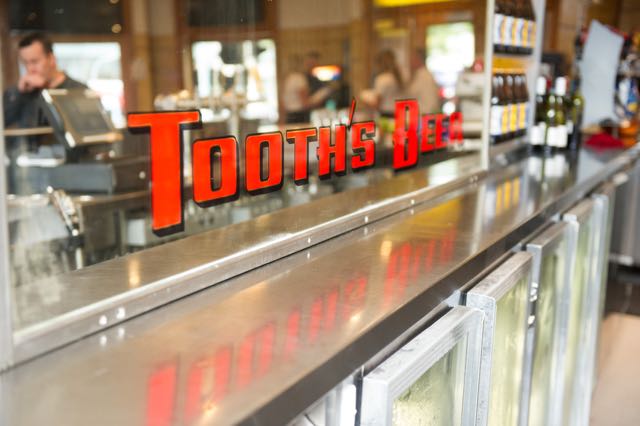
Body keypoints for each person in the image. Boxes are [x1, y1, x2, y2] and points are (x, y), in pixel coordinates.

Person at [3, 32, 86, 128]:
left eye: (34, 61)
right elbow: (4, 122)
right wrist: (19, 92)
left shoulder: (80, 91)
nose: (30, 68)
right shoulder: (19, 93)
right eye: (25, 63)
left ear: (51, 59)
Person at [282, 52, 331, 123]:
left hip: (289, 116)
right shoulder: (300, 79)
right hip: (299, 116)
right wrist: (322, 97)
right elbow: (305, 104)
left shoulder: (289, 78)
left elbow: (283, 103)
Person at [361, 49, 404, 117]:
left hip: (386, 115)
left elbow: (376, 103)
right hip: (398, 113)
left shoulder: (382, 79)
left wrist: (364, 99)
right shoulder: (397, 77)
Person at [406, 48, 440, 114]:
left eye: (412, 59)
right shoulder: (424, 74)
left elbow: (410, 94)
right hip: (424, 113)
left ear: (418, 59)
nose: (409, 62)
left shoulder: (423, 76)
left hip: (424, 114)